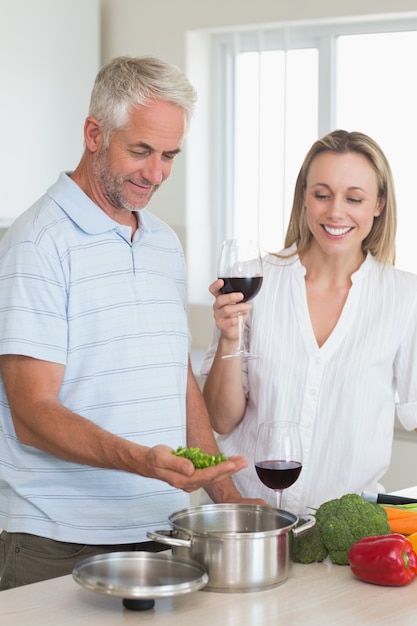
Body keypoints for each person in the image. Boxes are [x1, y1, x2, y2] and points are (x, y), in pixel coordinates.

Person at [0, 55, 259, 590]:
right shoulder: (36, 243)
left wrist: (228, 500)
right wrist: (141, 460)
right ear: (95, 133)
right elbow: (32, 412)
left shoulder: (163, 240)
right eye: (140, 151)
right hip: (57, 543)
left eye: (169, 155)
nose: (156, 173)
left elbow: (174, 374)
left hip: (162, 533)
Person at [201, 129, 417, 514]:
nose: (336, 211)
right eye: (322, 194)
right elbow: (220, 419)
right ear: (304, 196)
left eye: (354, 198)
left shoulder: (404, 297)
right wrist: (229, 339)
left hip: (347, 536)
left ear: (379, 204)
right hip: (251, 521)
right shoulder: (253, 280)